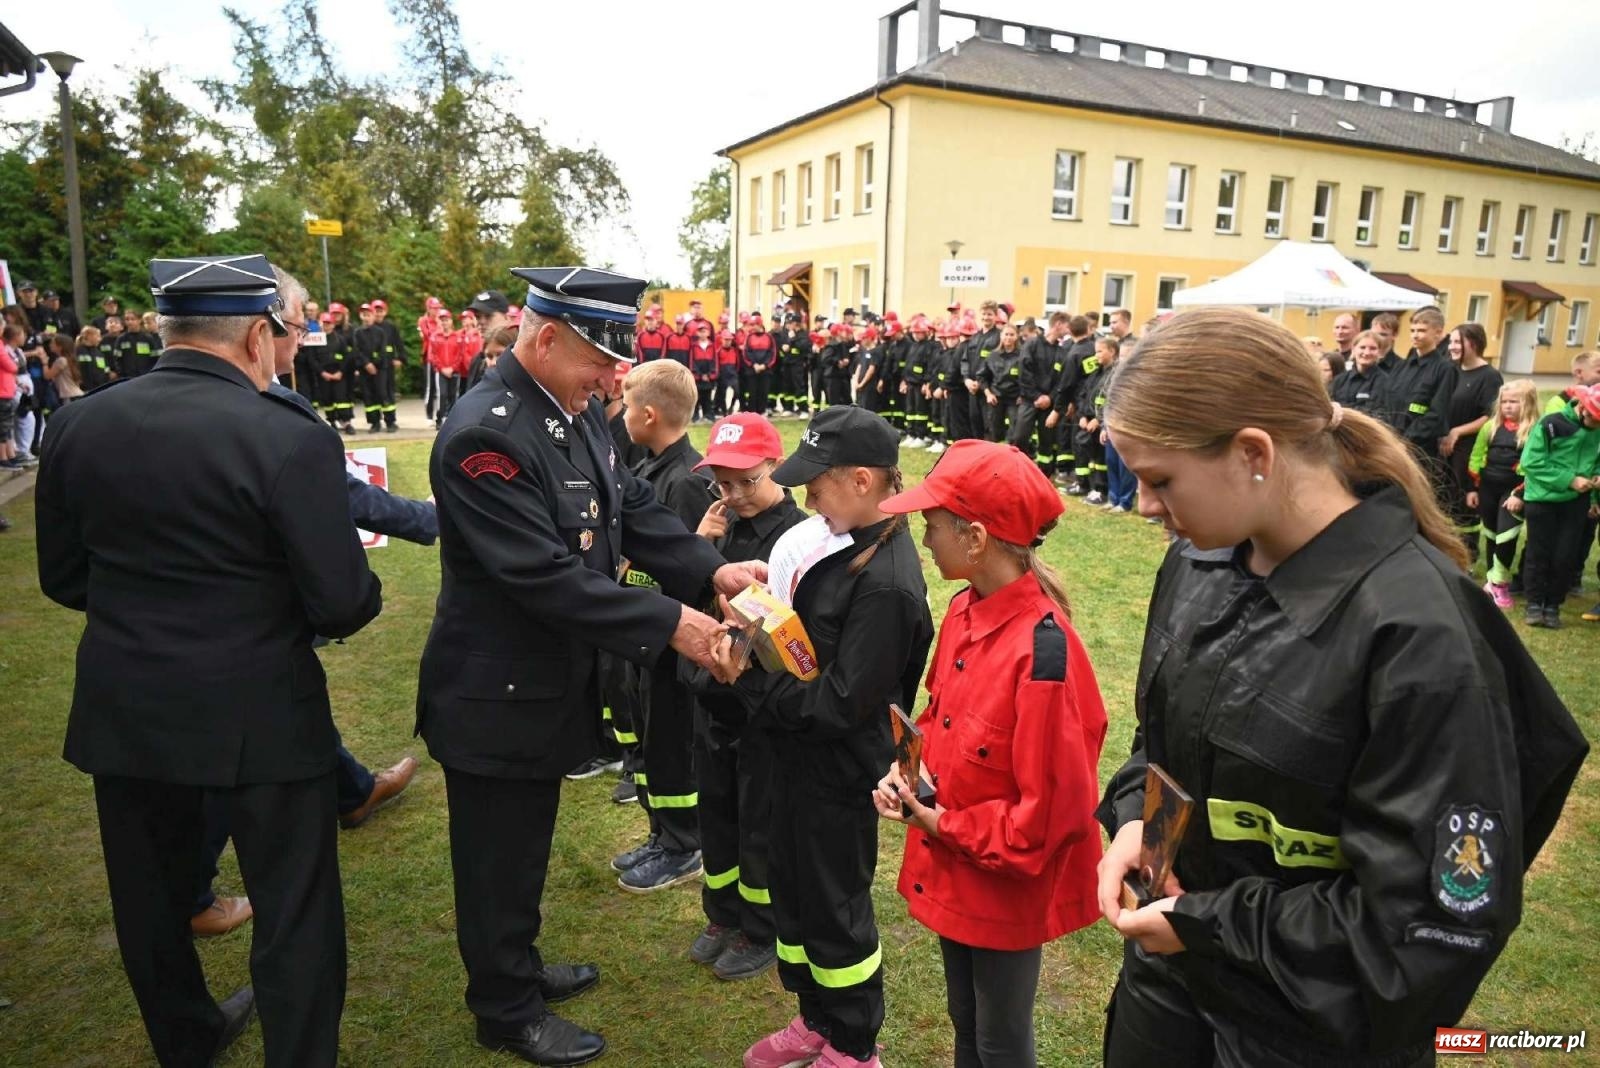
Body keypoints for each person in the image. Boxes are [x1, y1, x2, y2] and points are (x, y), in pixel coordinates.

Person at [1094, 306, 1587, 1066]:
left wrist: (1214, 926)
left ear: (1253, 453)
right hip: (1167, 996)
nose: (1145, 505)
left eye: (1160, 480)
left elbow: (1430, 925)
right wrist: (1140, 822)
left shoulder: (1420, 636)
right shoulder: (1198, 562)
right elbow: (1164, 742)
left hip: (1304, 1034)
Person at [35, 253, 384, 1067]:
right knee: (294, 910)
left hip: (129, 705)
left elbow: (64, 577)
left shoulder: (80, 423)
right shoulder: (284, 432)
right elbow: (342, 602)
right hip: (261, 710)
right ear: (259, 335)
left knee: (150, 902)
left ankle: (186, 1039)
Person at [416, 265, 762, 1066]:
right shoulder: (485, 435)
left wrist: (710, 572)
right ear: (545, 339)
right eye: (600, 360)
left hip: (541, 685)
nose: (612, 379)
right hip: (494, 695)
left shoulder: (569, 411)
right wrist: (674, 622)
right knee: (496, 858)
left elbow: (629, 507)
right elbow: (543, 577)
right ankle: (505, 1008)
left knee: (522, 847)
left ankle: (518, 965)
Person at [872, 439, 1107, 1068]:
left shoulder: (1044, 656)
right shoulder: (963, 610)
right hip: (959, 861)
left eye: (932, 525)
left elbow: (1048, 818)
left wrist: (942, 823)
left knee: (1000, 1038)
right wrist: (907, 773)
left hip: (1003, 880)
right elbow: (938, 716)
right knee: (966, 1019)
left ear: (975, 538)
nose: (925, 540)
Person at [712, 406, 934, 1068]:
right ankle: (815, 1018)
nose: (808, 501)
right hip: (792, 756)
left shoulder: (887, 583)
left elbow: (839, 704)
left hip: (838, 771)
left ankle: (854, 1044)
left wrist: (747, 681)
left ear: (862, 481)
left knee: (835, 907)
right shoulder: (843, 546)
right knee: (793, 892)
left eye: (816, 486)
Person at [683, 412, 807, 980]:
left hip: (759, 705)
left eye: (745, 481)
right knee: (716, 808)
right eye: (722, 483)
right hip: (712, 697)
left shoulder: (797, 535)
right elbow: (687, 601)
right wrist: (700, 550)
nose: (732, 494)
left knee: (758, 817)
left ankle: (760, 926)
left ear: (775, 466)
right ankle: (723, 912)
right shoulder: (719, 523)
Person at [611, 359, 718, 892]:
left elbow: (691, 567)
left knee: (673, 744)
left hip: (674, 640)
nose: (622, 415)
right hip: (646, 632)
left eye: (627, 406)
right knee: (652, 738)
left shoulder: (688, 480)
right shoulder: (651, 467)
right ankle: (661, 832)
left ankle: (682, 843)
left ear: (649, 415)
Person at [1516, 384, 1600, 629]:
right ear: (1582, 408)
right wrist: (1570, 480)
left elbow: (1596, 461)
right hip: (1543, 500)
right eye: (1595, 420)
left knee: (1566, 555)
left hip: (1576, 502)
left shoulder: (1597, 430)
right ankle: (1534, 604)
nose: (1597, 426)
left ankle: (1553, 605)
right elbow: (1531, 462)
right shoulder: (1551, 424)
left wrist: (1596, 483)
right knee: (1538, 552)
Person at [1469, 379, 1539, 609]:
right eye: (1504, 401)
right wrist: (1472, 488)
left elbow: (1535, 465)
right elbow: (1476, 455)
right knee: (1490, 534)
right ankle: (1492, 580)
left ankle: (1500, 582)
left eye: (1514, 402)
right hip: (1488, 488)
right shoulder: (1490, 426)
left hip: (1514, 493)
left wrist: (1519, 494)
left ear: (1528, 403)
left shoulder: (1535, 430)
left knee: (1506, 535)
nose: (1508, 406)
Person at [1438, 323, 1504, 561]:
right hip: (1443, 445)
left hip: (1468, 449)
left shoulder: (1489, 376)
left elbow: (1491, 415)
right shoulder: (1449, 370)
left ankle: (1467, 555)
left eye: (1458, 342)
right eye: (1451, 342)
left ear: (1473, 344)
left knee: (1464, 502)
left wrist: (1457, 432)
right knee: (1441, 498)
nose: (1452, 347)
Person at [1329, 329, 1391, 418]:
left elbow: (1378, 414)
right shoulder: (1339, 380)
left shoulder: (1384, 382)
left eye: (1373, 348)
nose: (1367, 352)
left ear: (1380, 352)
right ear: (1353, 349)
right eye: (1362, 347)